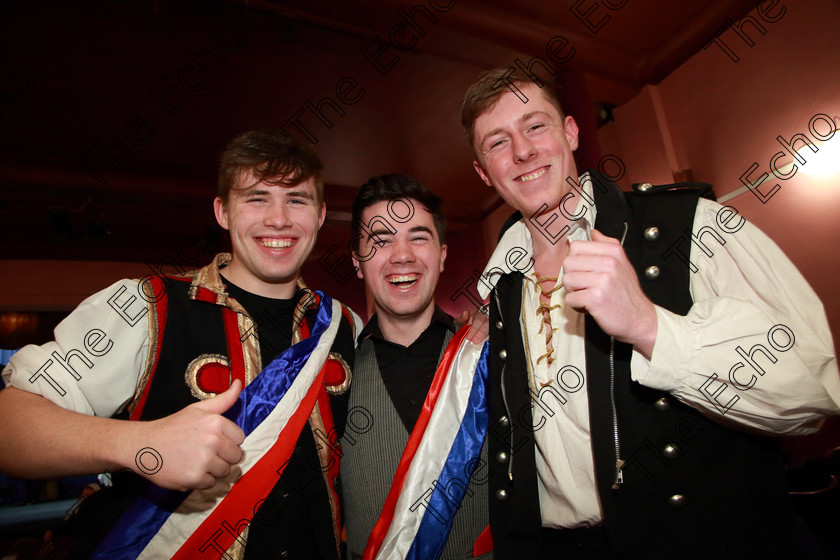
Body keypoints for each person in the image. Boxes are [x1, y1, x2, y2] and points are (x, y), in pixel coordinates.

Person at [459, 68, 840, 559]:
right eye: (497, 142)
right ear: (484, 173)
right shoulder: (500, 291)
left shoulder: (692, 224)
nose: (523, 151)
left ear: (571, 132)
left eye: (536, 126)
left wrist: (650, 325)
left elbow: (813, 389)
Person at [0, 130, 359, 559]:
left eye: (297, 199)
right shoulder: (142, 306)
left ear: (320, 215)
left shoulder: (343, 325)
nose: (278, 218)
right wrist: (141, 444)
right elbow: (10, 427)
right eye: (256, 197)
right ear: (222, 211)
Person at [341, 173, 492, 559]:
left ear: (442, 255)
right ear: (357, 262)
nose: (402, 254)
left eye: (418, 236)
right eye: (381, 241)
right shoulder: (331, 379)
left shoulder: (491, 357)